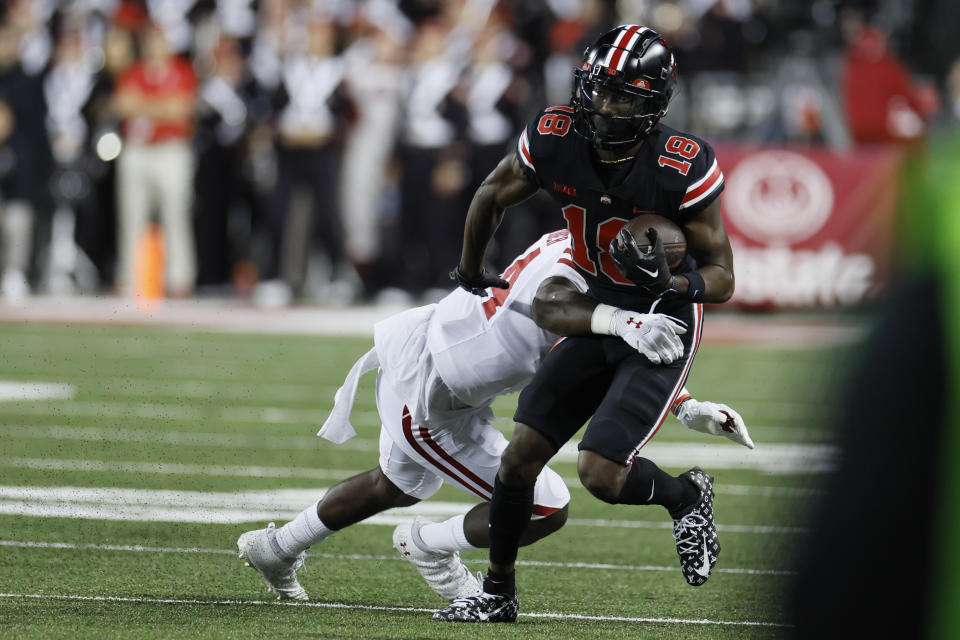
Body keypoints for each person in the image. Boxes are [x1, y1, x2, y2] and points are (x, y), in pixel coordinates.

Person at [235, 228, 751, 602]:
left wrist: (686, 406)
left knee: (394, 485)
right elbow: (570, 350)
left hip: (430, 348)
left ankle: (276, 547)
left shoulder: (574, 241)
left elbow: (590, 360)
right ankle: (428, 546)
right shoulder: (572, 285)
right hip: (435, 397)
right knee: (544, 505)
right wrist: (652, 361)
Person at [435, 24, 735, 622]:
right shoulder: (554, 135)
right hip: (599, 306)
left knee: (599, 472)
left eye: (622, 96)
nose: (603, 106)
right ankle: (497, 594)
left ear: (653, 102)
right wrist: (471, 268)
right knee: (520, 457)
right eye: (598, 90)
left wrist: (671, 284)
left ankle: (685, 495)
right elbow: (491, 195)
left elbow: (722, 275)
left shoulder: (681, 164)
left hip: (665, 320)